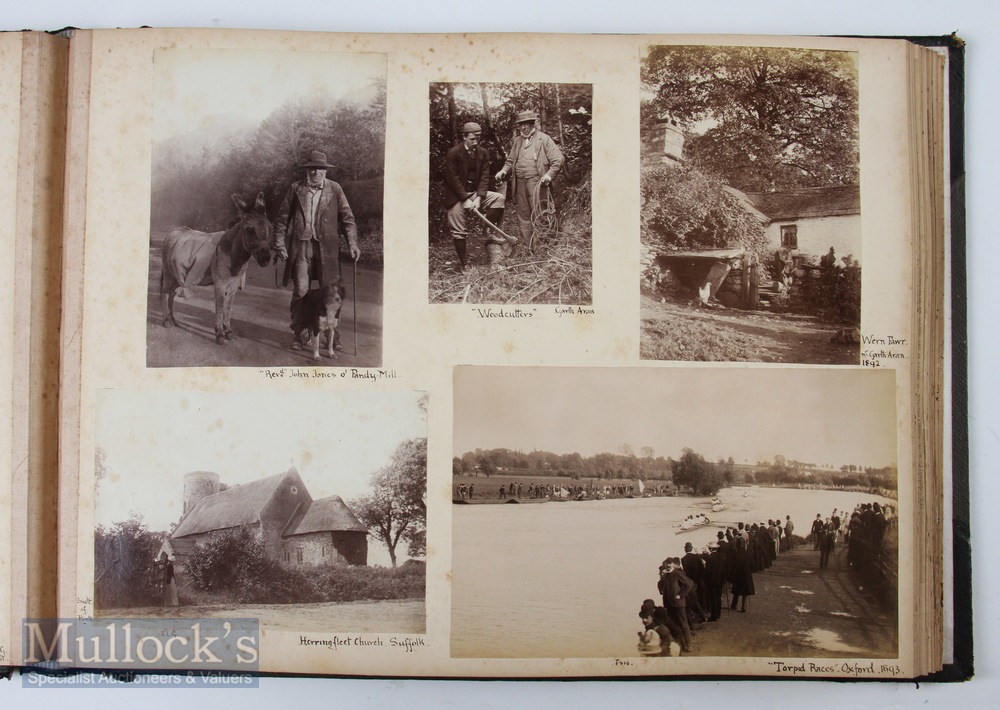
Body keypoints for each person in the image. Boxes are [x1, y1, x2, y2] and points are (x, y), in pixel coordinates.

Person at [273, 150, 360, 352]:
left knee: (331, 293)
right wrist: (279, 244)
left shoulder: (335, 189)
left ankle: (332, 335)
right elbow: (281, 219)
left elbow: (348, 219)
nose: (316, 172)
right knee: (301, 291)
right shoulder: (296, 189)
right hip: (301, 248)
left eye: (320, 168)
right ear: (307, 170)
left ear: (325, 170)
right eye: (312, 168)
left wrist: (353, 244)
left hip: (328, 250)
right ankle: (299, 333)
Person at [444, 122, 509, 269]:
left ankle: (486, 233)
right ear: (464, 137)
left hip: (474, 193)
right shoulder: (454, 153)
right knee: (458, 231)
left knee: (499, 199)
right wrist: (465, 199)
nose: (475, 142)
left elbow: (485, 177)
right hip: (456, 196)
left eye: (478, 139)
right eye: (472, 138)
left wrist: (479, 197)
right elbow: (452, 179)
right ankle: (464, 264)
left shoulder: (483, 153)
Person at [495, 111, 564, 247]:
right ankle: (527, 245)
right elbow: (510, 161)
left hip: (537, 182)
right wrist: (503, 171)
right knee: (523, 213)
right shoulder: (517, 141)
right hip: (519, 182)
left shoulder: (544, 139)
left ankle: (541, 245)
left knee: (539, 211)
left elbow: (558, 159)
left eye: (526, 124)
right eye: (521, 124)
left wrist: (548, 175)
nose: (524, 127)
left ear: (533, 124)